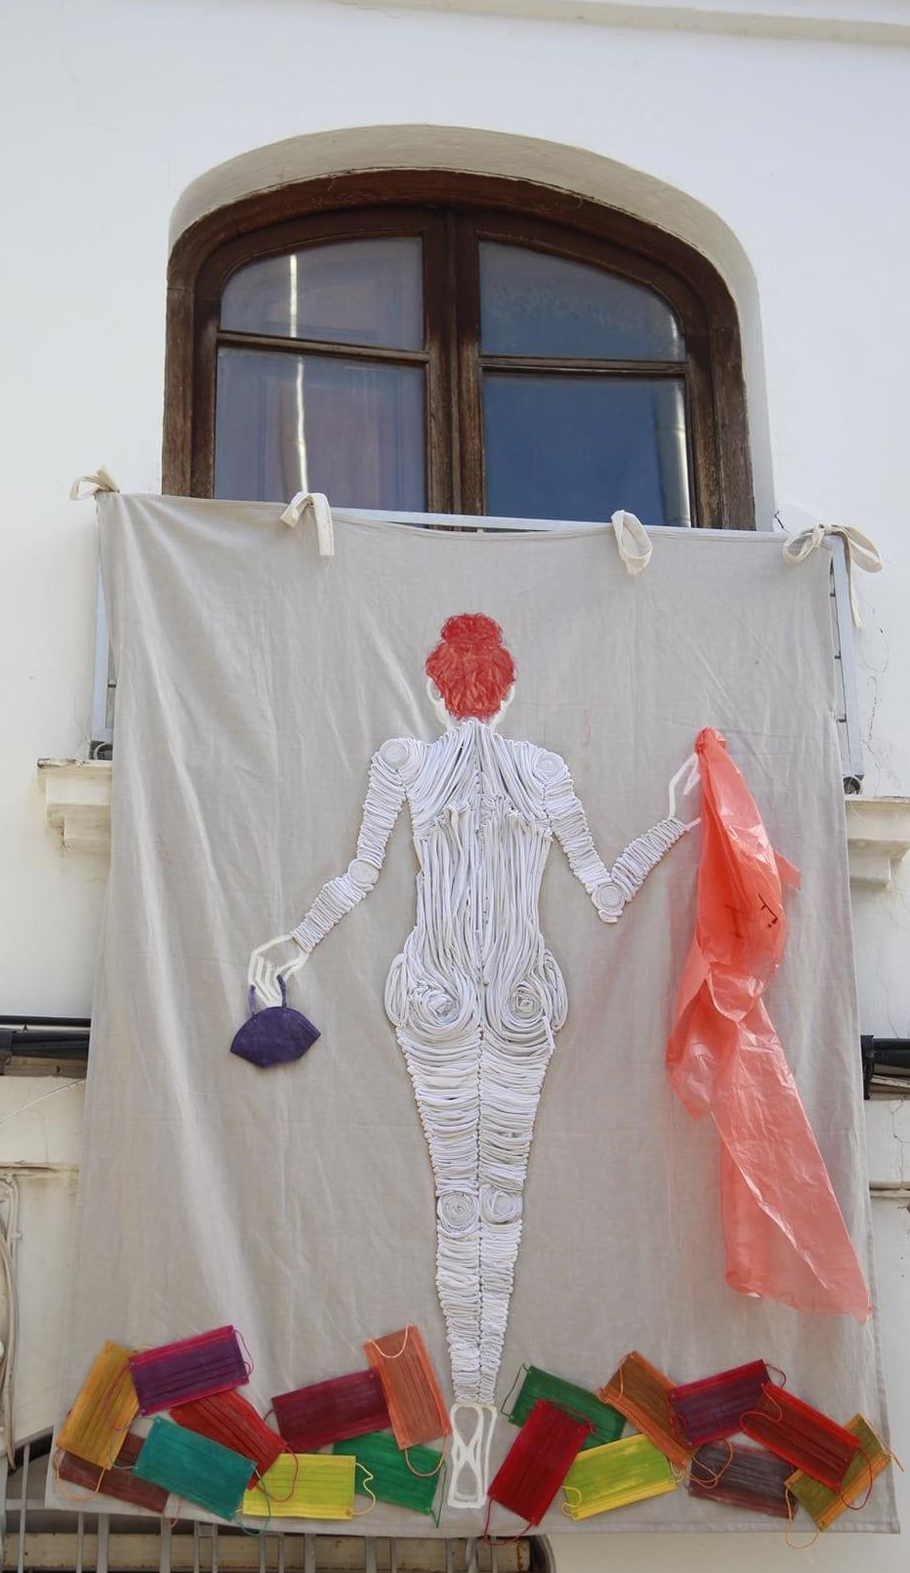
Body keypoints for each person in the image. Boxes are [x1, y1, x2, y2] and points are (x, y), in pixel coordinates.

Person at [250, 613, 697, 1503]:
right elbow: (607, 895)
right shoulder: (542, 772)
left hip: (435, 1000)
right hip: (521, 999)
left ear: (433, 685)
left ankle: (462, 1427)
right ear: (508, 688)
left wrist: (289, 947)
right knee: (499, 1203)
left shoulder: (403, 764)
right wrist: (673, 823)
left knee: (460, 1203)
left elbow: (358, 879)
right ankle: (476, 1418)